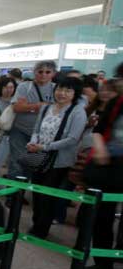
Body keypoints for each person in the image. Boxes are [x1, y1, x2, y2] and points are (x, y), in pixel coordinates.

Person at [25, 77, 87, 239]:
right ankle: (36, 223)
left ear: (75, 93)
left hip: (59, 160)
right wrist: (33, 143)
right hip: (39, 156)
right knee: (37, 193)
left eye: (68, 90)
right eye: (60, 89)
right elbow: (36, 129)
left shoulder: (77, 111)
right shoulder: (47, 108)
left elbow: (73, 139)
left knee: (48, 196)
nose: (62, 93)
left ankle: (41, 229)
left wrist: (45, 147)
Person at [84, 79, 123, 269]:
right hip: (111, 167)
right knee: (103, 216)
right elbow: (99, 130)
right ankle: (103, 262)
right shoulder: (117, 102)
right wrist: (99, 148)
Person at [8, 60, 57, 180]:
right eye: (40, 71)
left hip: (43, 135)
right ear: (35, 72)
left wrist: (29, 106)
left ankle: (23, 193)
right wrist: (40, 106)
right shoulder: (25, 87)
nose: (43, 75)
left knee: (34, 165)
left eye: (47, 72)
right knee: (16, 163)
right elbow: (17, 107)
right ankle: (13, 196)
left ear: (53, 74)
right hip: (20, 131)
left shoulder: (57, 89)